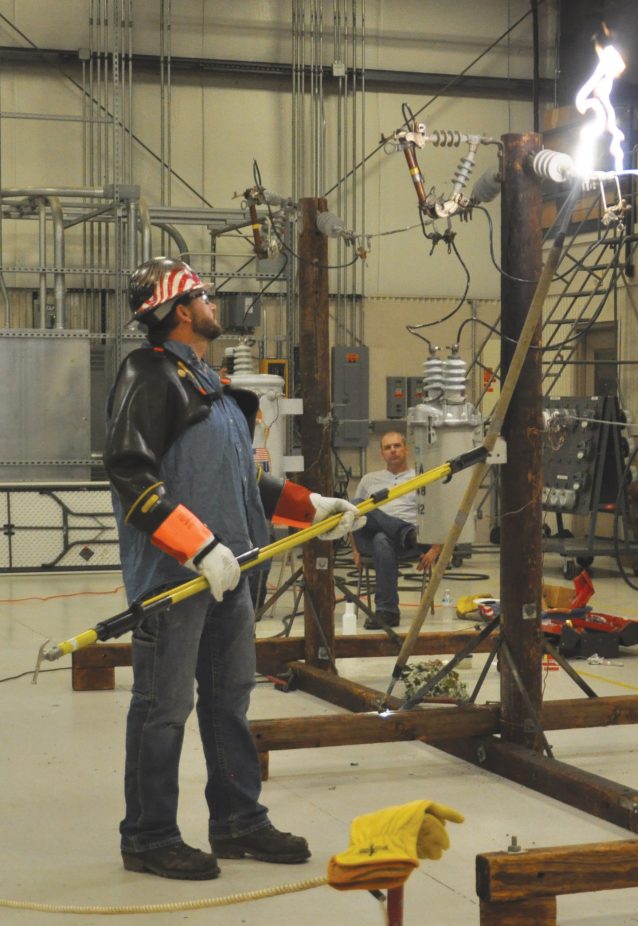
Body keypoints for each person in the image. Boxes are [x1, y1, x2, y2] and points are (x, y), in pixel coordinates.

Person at [105, 257, 363, 881]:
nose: (211, 301)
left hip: (232, 573)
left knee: (229, 701)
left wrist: (309, 506)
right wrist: (196, 545)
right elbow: (130, 471)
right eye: (201, 294)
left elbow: (242, 479)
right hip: (179, 580)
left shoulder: (208, 386)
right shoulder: (150, 374)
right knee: (162, 708)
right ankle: (148, 834)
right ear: (177, 311)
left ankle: (238, 821)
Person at [351, 431, 441, 629]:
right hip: (384, 537)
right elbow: (352, 515)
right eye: (387, 447)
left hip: (405, 546)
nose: (392, 451)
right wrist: (355, 550)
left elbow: (437, 513)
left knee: (382, 539)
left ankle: (387, 612)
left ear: (406, 449)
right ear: (382, 453)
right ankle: (405, 532)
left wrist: (435, 548)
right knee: (357, 503)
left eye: (397, 446)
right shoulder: (369, 480)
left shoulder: (419, 478)